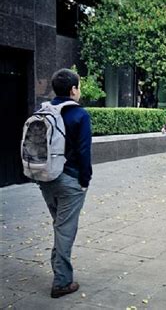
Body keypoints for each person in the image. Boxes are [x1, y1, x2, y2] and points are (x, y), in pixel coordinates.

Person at [38, 68, 92, 298]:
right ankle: (61, 282)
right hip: (69, 180)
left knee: (60, 226)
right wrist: (85, 181)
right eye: (78, 87)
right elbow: (83, 152)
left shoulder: (43, 111)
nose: (79, 91)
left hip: (45, 178)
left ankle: (59, 270)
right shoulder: (80, 115)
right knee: (65, 230)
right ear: (73, 89)